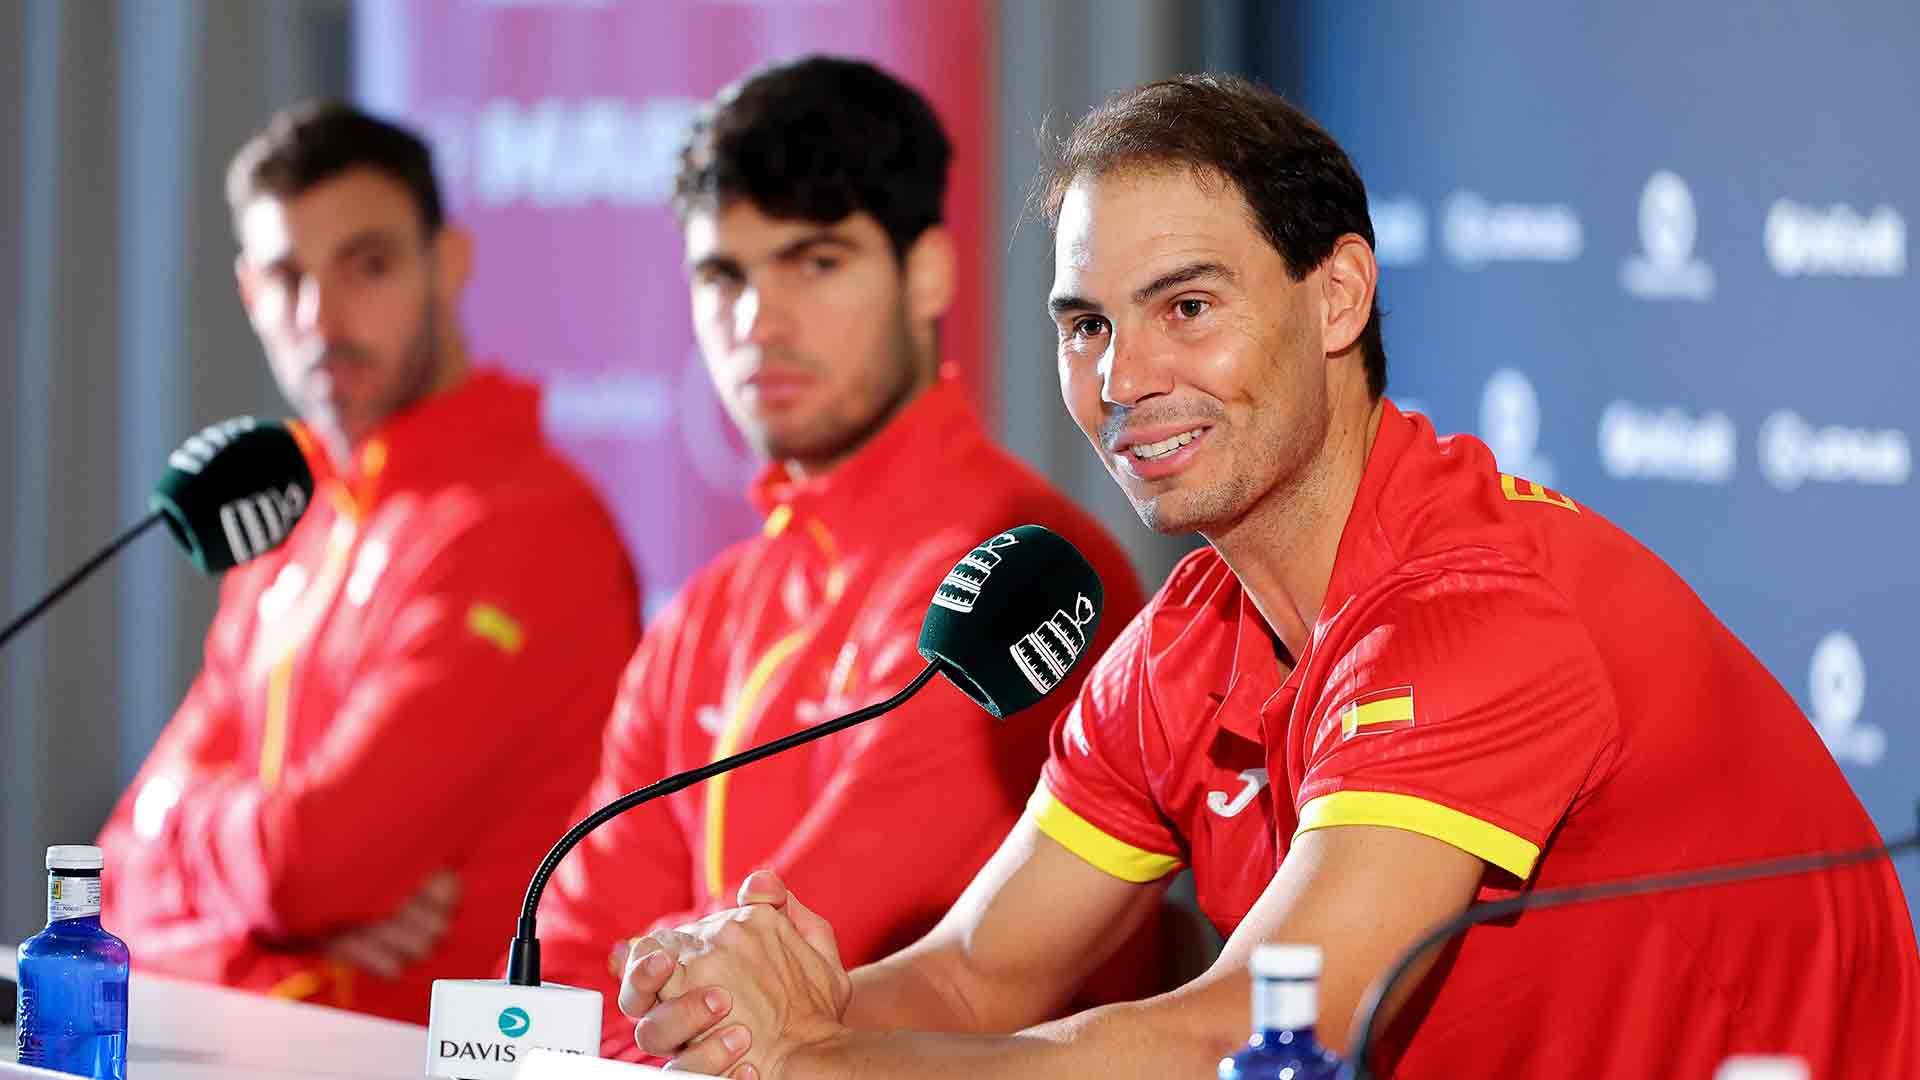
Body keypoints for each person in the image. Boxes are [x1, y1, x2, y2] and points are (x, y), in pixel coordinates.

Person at [614, 75, 1920, 1079]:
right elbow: (969, 980)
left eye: (1187, 309)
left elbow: (1245, 1038)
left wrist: (823, 1056)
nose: (1122, 381)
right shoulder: (1186, 644)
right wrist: (758, 1009)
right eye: (1087, 326)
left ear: (1338, 296)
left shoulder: (1476, 607)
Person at [529, 56, 1150, 1062]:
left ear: (930, 274)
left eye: (815, 262)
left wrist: (636, 1025)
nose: (757, 323)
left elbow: (806, 976)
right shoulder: (709, 612)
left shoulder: (1020, 578)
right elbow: (556, 966)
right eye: (723, 276)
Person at [94, 102, 641, 1024]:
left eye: (368, 266)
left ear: (449, 262)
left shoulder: (527, 528)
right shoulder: (291, 523)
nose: (322, 317)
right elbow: (116, 869)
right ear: (248, 293)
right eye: (286, 277)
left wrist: (223, 856)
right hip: (256, 1036)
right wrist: (263, 920)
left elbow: (310, 866)